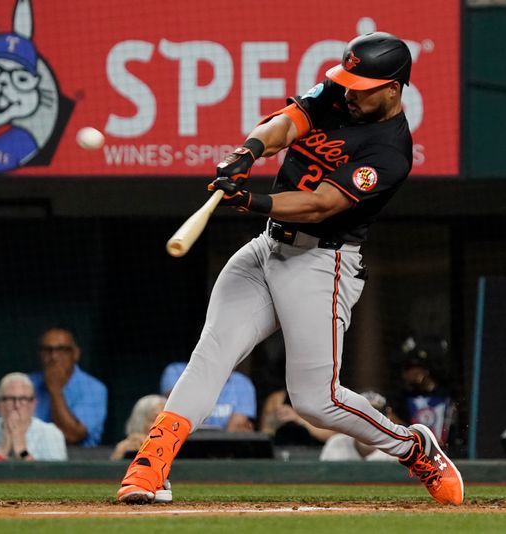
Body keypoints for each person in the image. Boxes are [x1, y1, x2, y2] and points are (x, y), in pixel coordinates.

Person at [117, 32, 463, 506]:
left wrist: (254, 200)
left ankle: (413, 447)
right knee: (212, 352)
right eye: (348, 81)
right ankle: (149, 466)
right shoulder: (338, 94)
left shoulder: (390, 151)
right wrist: (249, 151)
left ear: (394, 88)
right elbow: (288, 122)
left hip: (323, 262)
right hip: (268, 249)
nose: (350, 92)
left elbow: (322, 205)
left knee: (315, 401)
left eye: (362, 86)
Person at [29, 326, 107, 447]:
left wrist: (55, 390)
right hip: (29, 458)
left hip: (78, 460)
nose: (54, 356)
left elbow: (72, 435)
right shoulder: (25, 384)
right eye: (47, 350)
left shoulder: (94, 388)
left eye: (62, 349)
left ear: (75, 354)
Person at [0, 372, 67, 461]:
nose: (17, 405)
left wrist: (21, 450)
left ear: (33, 405)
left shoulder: (51, 435)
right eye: (10, 399)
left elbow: (51, 482)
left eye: (23, 399)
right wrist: (2, 449)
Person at [161, 362, 256, 432]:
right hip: (182, 444)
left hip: (223, 449)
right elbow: (180, 413)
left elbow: (235, 428)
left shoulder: (242, 382)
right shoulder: (176, 371)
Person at [319, 390, 396, 461]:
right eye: (362, 416)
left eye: (376, 417)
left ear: (388, 418)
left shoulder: (397, 449)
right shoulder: (337, 443)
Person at [110, 394, 168, 460]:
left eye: (165, 421)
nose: (162, 426)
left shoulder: (177, 448)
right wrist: (120, 454)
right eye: (155, 420)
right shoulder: (126, 448)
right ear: (140, 421)